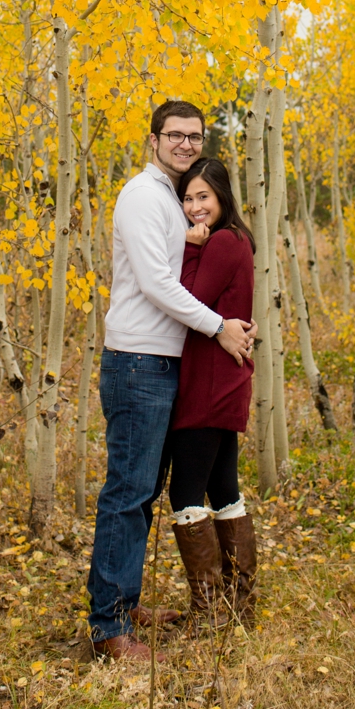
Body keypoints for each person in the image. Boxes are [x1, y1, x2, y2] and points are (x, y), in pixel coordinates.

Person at [87, 100, 256, 664]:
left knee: (143, 494)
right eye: (175, 135)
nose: (185, 144)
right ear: (153, 139)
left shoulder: (174, 199)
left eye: (195, 136)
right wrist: (219, 327)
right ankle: (109, 628)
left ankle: (125, 604)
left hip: (163, 364)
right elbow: (159, 283)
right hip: (137, 362)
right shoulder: (141, 195)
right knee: (127, 494)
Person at [163, 158, 258, 625]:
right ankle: (237, 606)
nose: (195, 206)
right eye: (188, 198)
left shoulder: (222, 242)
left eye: (204, 196)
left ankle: (209, 612)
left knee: (185, 491)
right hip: (224, 377)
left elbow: (186, 298)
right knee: (223, 488)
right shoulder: (236, 239)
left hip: (211, 381)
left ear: (222, 196)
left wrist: (186, 247)